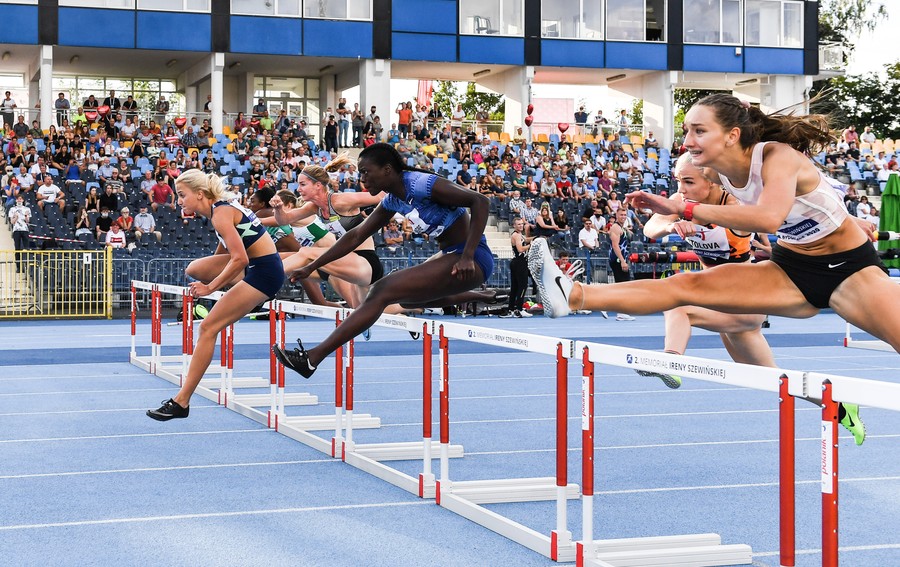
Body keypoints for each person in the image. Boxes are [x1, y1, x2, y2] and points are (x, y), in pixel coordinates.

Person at [528, 93, 896, 445]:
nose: (687, 140)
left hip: (850, 271)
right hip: (791, 269)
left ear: (732, 135)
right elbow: (670, 211)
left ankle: (672, 357)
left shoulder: (777, 157)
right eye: (687, 130)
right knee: (683, 287)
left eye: (699, 131)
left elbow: (769, 217)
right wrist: (669, 211)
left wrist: (684, 210)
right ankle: (572, 295)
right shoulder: (712, 172)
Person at [273, 143, 494, 378]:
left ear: (387, 170)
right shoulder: (392, 200)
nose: (362, 179)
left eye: (366, 172)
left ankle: (312, 358)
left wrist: (468, 255)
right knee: (406, 300)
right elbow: (356, 235)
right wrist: (312, 266)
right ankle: (479, 296)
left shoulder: (421, 184)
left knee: (381, 290)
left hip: (472, 258)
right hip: (451, 255)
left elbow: (480, 201)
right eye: (360, 173)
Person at [147, 169, 284, 421]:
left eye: (182, 195)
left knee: (208, 328)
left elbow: (239, 258)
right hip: (258, 267)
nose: (179, 201)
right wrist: (209, 284)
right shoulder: (220, 210)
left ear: (200, 194)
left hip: (264, 272)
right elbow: (223, 254)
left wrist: (211, 288)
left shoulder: (221, 213)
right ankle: (244, 292)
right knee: (195, 269)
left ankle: (182, 401)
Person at [636, 151, 774, 388]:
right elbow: (650, 228)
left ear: (711, 179)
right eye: (678, 180)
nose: (681, 189)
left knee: (678, 305)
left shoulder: (734, 204)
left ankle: (670, 362)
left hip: (746, 301)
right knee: (772, 379)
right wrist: (671, 226)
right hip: (718, 300)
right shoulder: (681, 201)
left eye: (689, 181)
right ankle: (837, 404)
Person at [500, 217, 532, 318]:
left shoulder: (519, 234)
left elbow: (525, 239)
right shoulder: (516, 235)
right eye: (519, 224)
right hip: (520, 262)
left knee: (515, 288)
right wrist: (531, 245)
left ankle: (511, 309)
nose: (521, 226)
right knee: (522, 286)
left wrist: (536, 238)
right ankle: (519, 309)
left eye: (522, 224)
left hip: (516, 262)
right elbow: (520, 249)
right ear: (514, 225)